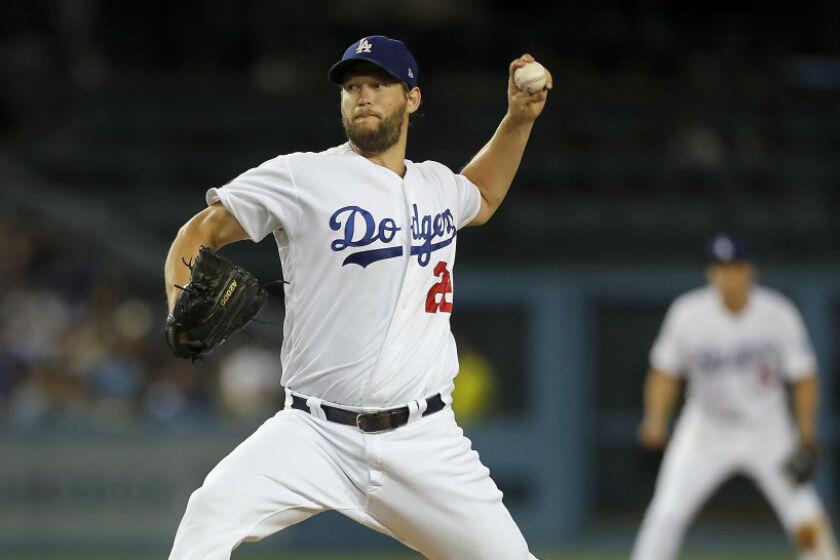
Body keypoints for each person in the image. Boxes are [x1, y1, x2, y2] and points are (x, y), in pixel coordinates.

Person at [163, 35, 551, 560]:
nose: (362, 95)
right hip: (312, 434)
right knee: (208, 515)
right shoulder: (302, 176)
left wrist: (519, 120)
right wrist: (177, 302)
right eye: (351, 87)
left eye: (378, 84)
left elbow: (481, 195)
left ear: (412, 98)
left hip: (425, 442)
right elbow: (201, 230)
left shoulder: (437, 185)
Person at [631, 234, 840, 560]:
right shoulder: (688, 312)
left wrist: (806, 432)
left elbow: (804, 377)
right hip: (705, 430)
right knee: (666, 514)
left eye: (734, 266)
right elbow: (664, 372)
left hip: (767, 430)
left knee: (804, 515)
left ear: (750, 270)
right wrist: (655, 418)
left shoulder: (778, 313)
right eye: (720, 267)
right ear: (710, 273)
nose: (727, 274)